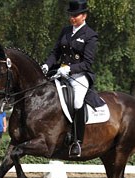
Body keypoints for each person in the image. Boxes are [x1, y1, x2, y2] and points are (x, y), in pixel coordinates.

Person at [42, 0, 98, 157]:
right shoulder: (65, 31)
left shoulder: (90, 35)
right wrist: (47, 65)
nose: (72, 18)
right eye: (70, 15)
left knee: (77, 102)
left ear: (84, 16)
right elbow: (55, 52)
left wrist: (70, 69)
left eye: (75, 15)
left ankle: (77, 141)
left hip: (79, 76)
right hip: (60, 72)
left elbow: (87, 63)